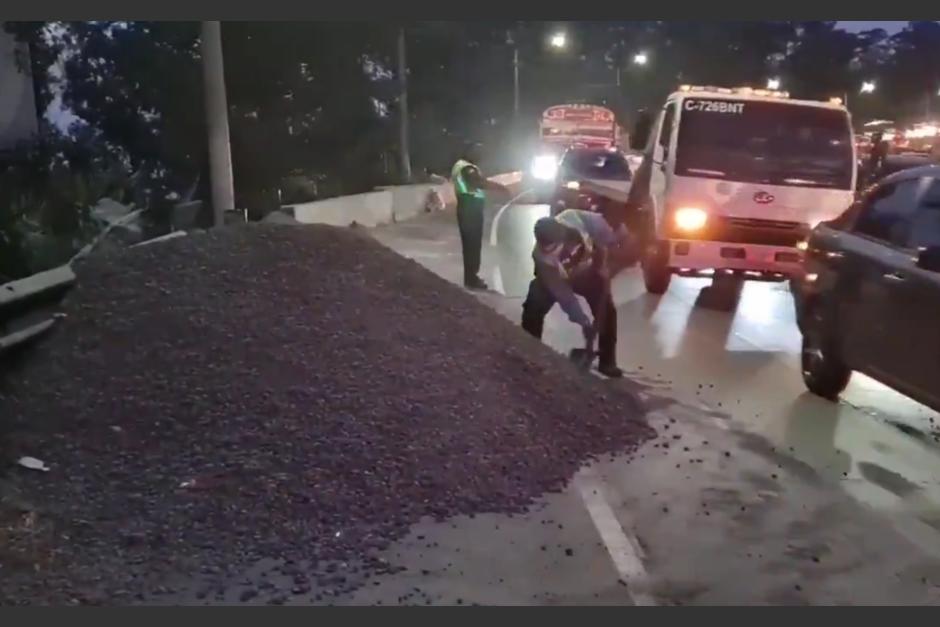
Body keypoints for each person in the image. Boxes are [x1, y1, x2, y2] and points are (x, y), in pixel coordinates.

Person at [522, 209, 625, 378]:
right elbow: (564, 296)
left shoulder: (581, 220)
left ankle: (607, 362)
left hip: (588, 272)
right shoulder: (541, 258)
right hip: (558, 278)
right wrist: (583, 322)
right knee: (534, 302)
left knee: (607, 310)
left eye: (555, 246)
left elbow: (610, 238)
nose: (552, 251)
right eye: (547, 248)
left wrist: (610, 256)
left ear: (562, 236)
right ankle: (531, 353)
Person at [451, 143, 510, 290]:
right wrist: (501, 188)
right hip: (469, 208)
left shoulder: (462, 165)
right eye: (478, 154)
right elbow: (479, 183)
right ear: (470, 153)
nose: (480, 158)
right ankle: (472, 279)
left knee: (472, 246)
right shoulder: (466, 167)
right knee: (472, 246)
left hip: (469, 208)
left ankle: (471, 277)